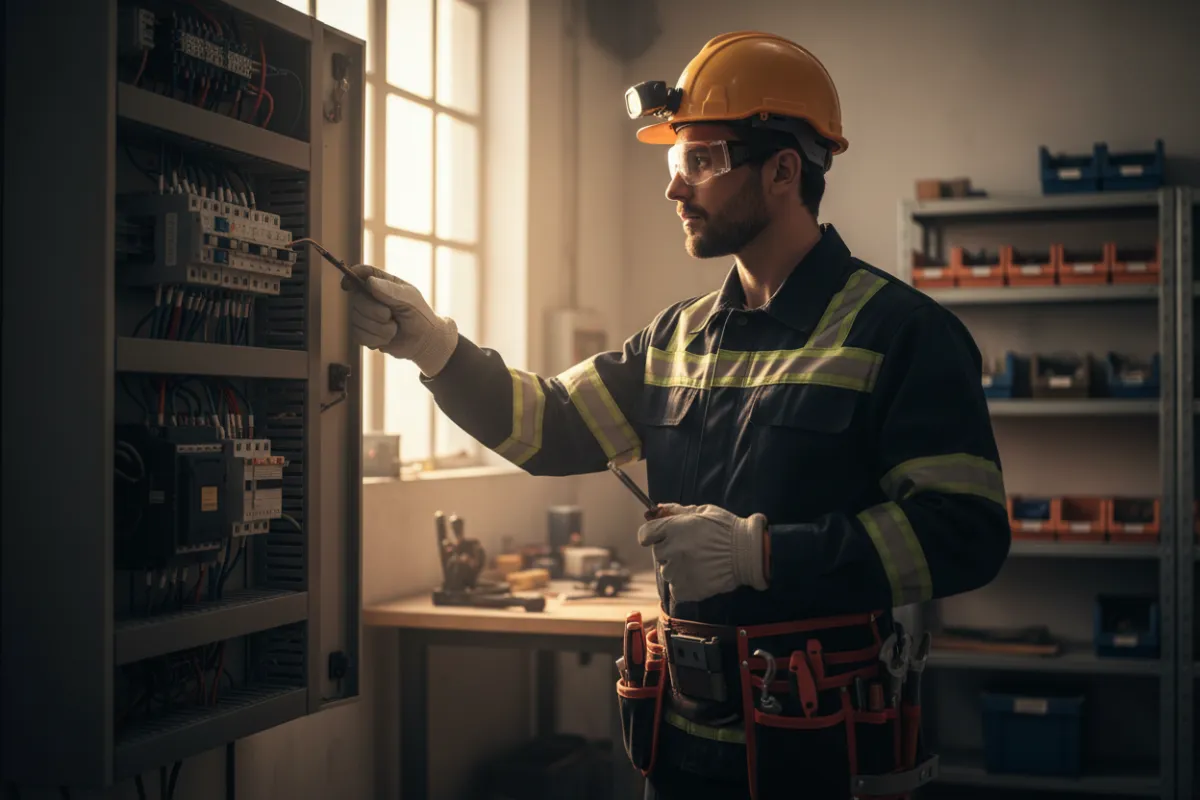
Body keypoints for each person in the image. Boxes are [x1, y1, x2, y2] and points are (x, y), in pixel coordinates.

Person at [342, 30, 1010, 800]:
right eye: (673, 165)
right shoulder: (676, 338)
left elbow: (966, 533)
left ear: (784, 172)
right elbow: (549, 424)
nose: (675, 189)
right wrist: (434, 347)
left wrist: (763, 555)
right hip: (683, 750)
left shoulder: (901, 333)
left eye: (701, 161)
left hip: (824, 756)